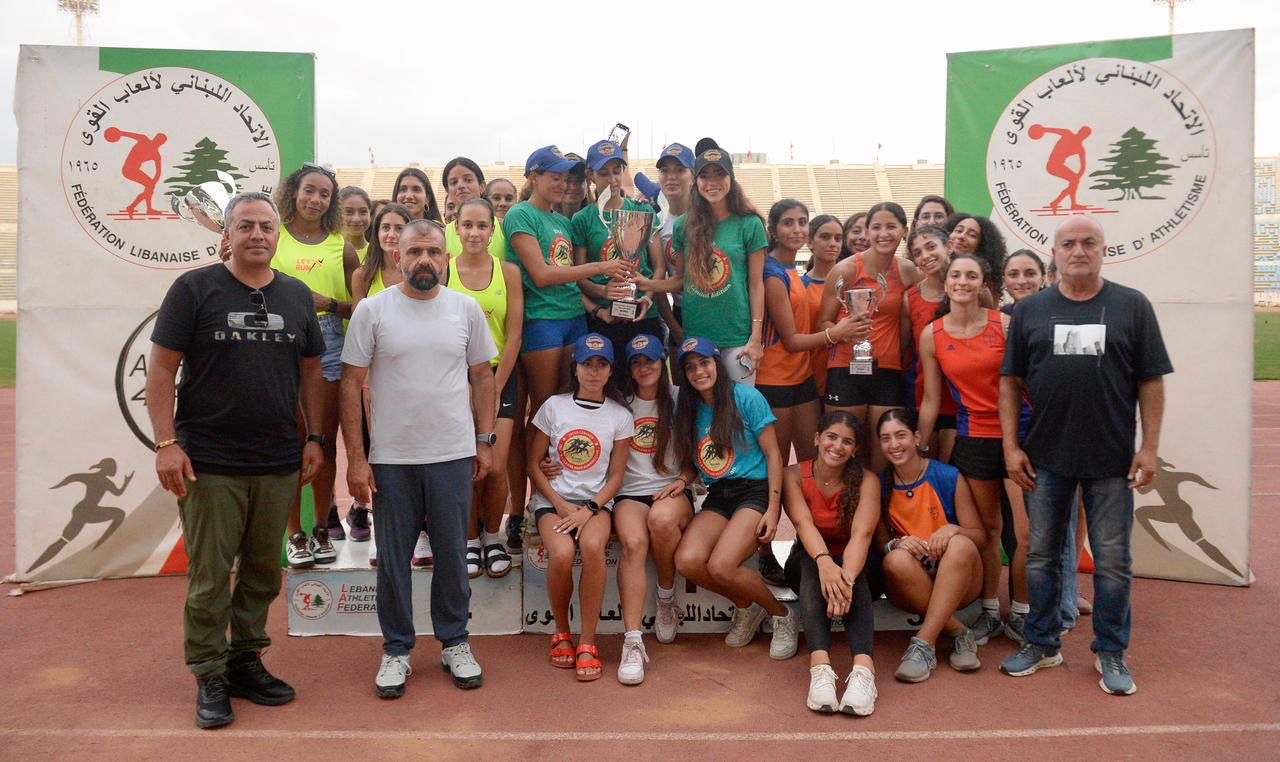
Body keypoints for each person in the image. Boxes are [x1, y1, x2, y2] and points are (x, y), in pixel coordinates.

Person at [146, 191, 324, 729]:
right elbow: (161, 370)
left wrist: (315, 437)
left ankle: (245, 660)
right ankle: (209, 672)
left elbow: (312, 372)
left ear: (277, 236)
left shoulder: (296, 295)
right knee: (209, 576)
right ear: (227, 234)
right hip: (209, 461)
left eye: (266, 226)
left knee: (264, 572)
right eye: (245, 225)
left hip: (277, 459)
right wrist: (166, 444)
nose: (257, 234)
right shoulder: (194, 289)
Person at [1000, 216, 1172, 696]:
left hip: (1111, 461)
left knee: (1113, 561)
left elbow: (1151, 381)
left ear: (1103, 250)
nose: (1079, 251)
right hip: (1046, 458)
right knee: (1041, 556)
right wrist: (1011, 447)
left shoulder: (1132, 306)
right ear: (1054, 254)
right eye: (1069, 244)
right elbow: (1010, 384)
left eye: (1089, 243)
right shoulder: (1031, 311)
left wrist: (1150, 448)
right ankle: (1042, 643)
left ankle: (1111, 650)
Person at [340, 219, 497, 698]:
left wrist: (484, 439)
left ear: (446, 258)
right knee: (393, 560)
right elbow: (351, 384)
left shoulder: (466, 309)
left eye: (433, 252)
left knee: (451, 554)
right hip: (392, 458)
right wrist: (357, 459)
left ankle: (455, 642)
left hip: (452, 453)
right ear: (398, 257)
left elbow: (483, 377)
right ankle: (396, 649)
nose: (424, 260)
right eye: (414, 252)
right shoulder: (372, 310)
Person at [918, 255, 1025, 647]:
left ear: (983, 284)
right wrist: (919, 444)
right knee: (988, 531)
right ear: (946, 282)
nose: (962, 282)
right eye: (956, 275)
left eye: (971, 276)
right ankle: (990, 611)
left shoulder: (1005, 325)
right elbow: (932, 399)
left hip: (1017, 436)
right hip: (974, 438)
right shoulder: (932, 334)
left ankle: (1023, 613)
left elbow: (1025, 383)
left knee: (1025, 534)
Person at [672, 338, 797, 657]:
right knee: (687, 561)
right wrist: (683, 479)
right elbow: (693, 461)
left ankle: (782, 615)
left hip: (754, 490)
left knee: (722, 566)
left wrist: (773, 509)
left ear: (717, 364)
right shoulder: (689, 409)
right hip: (720, 493)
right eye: (690, 367)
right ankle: (746, 607)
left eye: (704, 363)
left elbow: (773, 455)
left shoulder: (746, 398)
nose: (699, 372)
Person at [527, 333, 633, 683]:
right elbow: (533, 464)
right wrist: (559, 503)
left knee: (591, 547)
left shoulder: (620, 416)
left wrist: (589, 509)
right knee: (560, 553)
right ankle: (561, 632)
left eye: (602, 364)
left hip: (595, 505)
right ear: (574, 368)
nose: (594, 371)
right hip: (553, 502)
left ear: (611, 371)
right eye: (587, 363)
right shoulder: (553, 406)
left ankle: (588, 640)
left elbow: (616, 477)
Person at [998, 249, 1091, 638]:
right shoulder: (1000, 319)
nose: (1021, 280)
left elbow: (1084, 372)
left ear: (1043, 276)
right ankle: (1039, 605)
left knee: (1060, 523)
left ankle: (1063, 606)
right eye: (1013, 273)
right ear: (1004, 280)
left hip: (1058, 432)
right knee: (1030, 530)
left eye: (1029, 273)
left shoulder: (1065, 314)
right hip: (1017, 433)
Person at [271, 163, 360, 567]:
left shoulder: (342, 247)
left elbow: (358, 307)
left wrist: (328, 304)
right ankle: (295, 535)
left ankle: (323, 528)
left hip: (328, 340)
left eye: (325, 194)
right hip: (279, 342)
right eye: (309, 190)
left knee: (321, 441)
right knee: (290, 442)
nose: (315, 199)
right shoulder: (274, 237)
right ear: (294, 192)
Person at [875, 409, 986, 684]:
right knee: (895, 559)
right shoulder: (880, 485)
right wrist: (897, 543)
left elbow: (980, 536)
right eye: (886, 438)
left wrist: (953, 529)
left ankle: (923, 644)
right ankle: (959, 633)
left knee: (960, 545)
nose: (894, 444)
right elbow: (880, 545)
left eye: (901, 435)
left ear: (916, 437)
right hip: (910, 586)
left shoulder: (947, 476)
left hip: (960, 582)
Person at [782, 412, 880, 715]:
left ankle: (864, 672)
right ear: (817, 438)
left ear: (855, 449)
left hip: (856, 565)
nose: (837, 446)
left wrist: (844, 580)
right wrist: (826, 564)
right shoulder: (793, 475)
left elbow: (862, 535)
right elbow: (803, 523)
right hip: (809, 562)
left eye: (847, 442)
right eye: (831, 437)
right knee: (812, 565)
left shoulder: (867, 480)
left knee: (855, 573)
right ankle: (820, 670)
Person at [447, 198, 523, 579]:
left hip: (499, 376)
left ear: (493, 231)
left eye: (482, 226)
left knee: (495, 465)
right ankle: (470, 539)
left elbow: (514, 334)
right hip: (456, 379)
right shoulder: (444, 270)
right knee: (465, 465)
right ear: (456, 228)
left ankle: (493, 535)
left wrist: (496, 384)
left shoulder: (508, 272)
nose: (474, 233)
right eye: (468, 225)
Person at [819, 202, 920, 469]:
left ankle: (880, 497)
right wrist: (842, 332)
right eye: (876, 227)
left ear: (904, 231)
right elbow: (823, 322)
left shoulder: (908, 271)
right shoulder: (846, 270)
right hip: (845, 367)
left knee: (883, 455)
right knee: (843, 451)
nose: (883, 234)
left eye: (891, 227)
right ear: (867, 231)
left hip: (888, 370)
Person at [671, 149, 768, 385]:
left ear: (730, 178)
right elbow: (680, 280)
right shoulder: (683, 226)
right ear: (696, 182)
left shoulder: (750, 224)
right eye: (705, 176)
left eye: (719, 174)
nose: (712, 182)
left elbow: (756, 285)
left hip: (738, 336)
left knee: (740, 403)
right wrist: (645, 285)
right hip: (698, 336)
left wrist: (756, 337)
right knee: (703, 404)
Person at [572, 139, 667, 358]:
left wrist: (648, 297)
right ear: (591, 175)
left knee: (647, 377)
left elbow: (659, 267)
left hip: (644, 313)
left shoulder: (643, 212)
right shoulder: (582, 219)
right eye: (604, 173)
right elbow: (578, 276)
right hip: (604, 317)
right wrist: (604, 292)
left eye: (617, 171)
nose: (612, 179)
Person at [900, 225, 958, 463]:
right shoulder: (910, 299)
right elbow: (905, 352)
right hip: (924, 399)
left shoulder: (972, 291)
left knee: (955, 472)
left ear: (949, 246)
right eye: (917, 253)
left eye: (931, 247)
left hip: (963, 400)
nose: (925, 256)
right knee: (927, 468)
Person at [803, 215, 842, 396]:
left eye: (838, 238)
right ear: (810, 242)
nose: (833, 243)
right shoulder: (799, 287)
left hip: (849, 372)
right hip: (812, 374)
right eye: (825, 237)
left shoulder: (854, 283)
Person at [442, 156, 508, 260]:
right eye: (454, 182)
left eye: (468, 180)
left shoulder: (505, 228)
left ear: (482, 186)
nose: (460, 185)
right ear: (447, 191)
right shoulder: (441, 235)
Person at [944, 213, 1006, 304]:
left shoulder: (985, 289)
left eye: (972, 235)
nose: (961, 236)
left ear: (981, 245)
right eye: (959, 230)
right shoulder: (935, 270)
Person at [339, 186, 372, 264]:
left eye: (363, 212)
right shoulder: (328, 248)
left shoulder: (378, 253)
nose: (356, 219)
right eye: (349, 212)